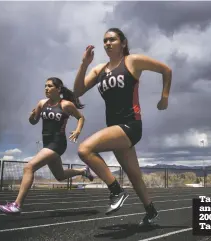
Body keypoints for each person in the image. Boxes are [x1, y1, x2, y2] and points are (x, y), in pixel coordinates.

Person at [73, 28, 172, 226]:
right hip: (115, 128)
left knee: (84, 149)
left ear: (123, 43)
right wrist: (84, 64)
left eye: (112, 39)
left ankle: (116, 191)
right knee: (135, 176)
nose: (107, 43)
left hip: (130, 125)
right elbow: (77, 91)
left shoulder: (132, 61)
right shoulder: (99, 70)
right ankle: (151, 212)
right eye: (105, 41)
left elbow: (166, 70)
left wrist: (164, 97)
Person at [0, 77, 94, 214]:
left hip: (58, 143)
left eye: (49, 86)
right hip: (47, 143)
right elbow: (33, 122)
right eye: (45, 86)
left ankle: (17, 205)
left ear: (58, 89)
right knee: (60, 176)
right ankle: (83, 170)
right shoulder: (42, 103)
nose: (46, 88)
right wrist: (31, 116)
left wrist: (78, 131)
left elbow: (81, 117)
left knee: (29, 167)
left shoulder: (66, 105)